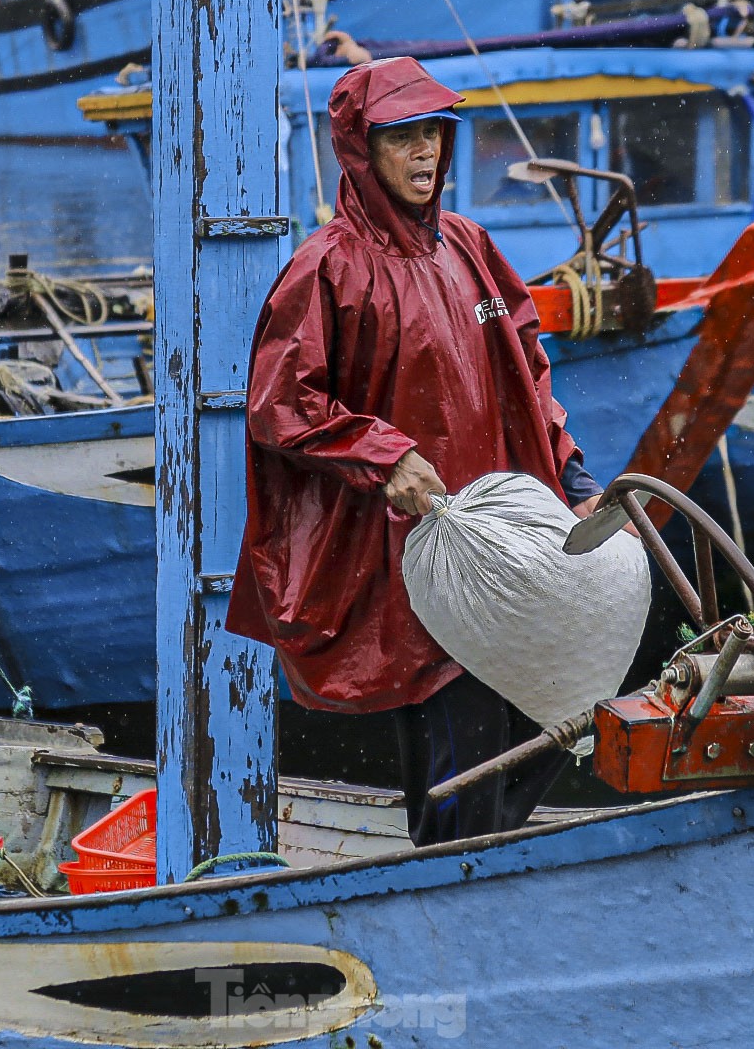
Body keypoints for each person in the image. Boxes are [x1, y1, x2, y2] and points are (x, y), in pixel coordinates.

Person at [226, 57, 606, 847]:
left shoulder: (470, 248)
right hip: (414, 552)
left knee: (557, 715)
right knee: (457, 738)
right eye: (404, 136)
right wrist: (385, 455)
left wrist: (573, 475)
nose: (426, 151)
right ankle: (453, 890)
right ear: (362, 150)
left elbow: (527, 372)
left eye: (434, 132)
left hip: (509, 537)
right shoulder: (326, 266)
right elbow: (282, 402)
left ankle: (467, 880)